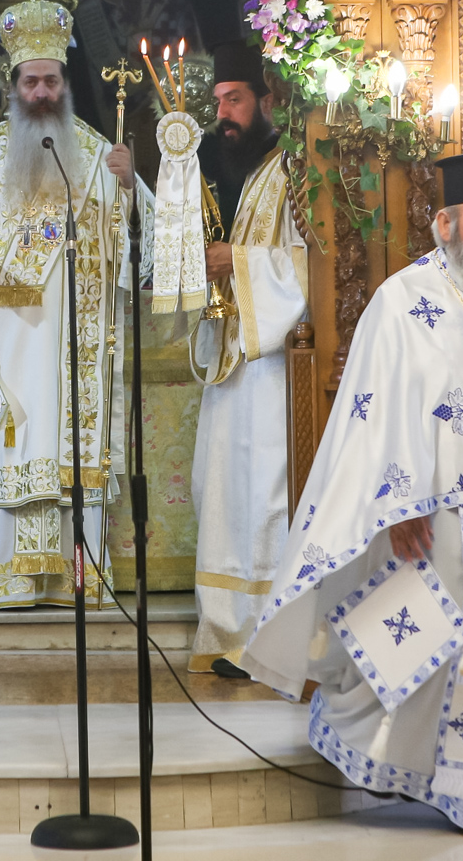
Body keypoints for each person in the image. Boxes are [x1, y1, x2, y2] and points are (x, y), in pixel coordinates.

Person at [241, 151, 463, 837]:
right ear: (445, 224)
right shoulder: (403, 300)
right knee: (436, 661)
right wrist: (399, 505)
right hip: (445, 518)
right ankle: (443, 783)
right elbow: (376, 407)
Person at [0, 0, 149, 608]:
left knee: (68, 446)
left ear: (65, 84)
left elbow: (144, 246)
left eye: (51, 81)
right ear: (12, 85)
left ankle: (72, 579)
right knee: (8, 440)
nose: (41, 93)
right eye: (31, 81)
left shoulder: (98, 155)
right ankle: (5, 578)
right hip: (3, 351)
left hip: (72, 355)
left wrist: (131, 187)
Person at [186, 42, 309, 676]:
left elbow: (310, 266)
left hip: (275, 367)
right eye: (217, 102)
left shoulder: (297, 169)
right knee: (222, 492)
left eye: (234, 100)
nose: (222, 115)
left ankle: (267, 639)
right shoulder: (245, 171)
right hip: (236, 362)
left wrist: (235, 261)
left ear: (267, 100)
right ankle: (229, 629)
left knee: (264, 495)